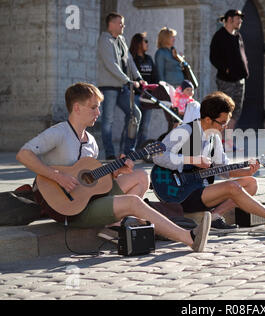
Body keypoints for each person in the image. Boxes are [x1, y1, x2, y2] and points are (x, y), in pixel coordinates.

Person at [15, 82, 211, 252]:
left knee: (141, 176)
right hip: (70, 209)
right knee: (133, 203)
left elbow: (93, 182)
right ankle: (188, 238)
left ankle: (113, 227)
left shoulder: (91, 141)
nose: (98, 113)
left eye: (98, 108)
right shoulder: (58, 133)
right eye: (93, 108)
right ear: (77, 108)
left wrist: (116, 172)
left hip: (90, 199)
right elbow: (23, 154)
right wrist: (58, 176)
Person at [152, 91, 265, 234]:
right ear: (207, 119)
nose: (225, 126)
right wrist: (191, 160)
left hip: (199, 190)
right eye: (222, 122)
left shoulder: (214, 138)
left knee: (250, 183)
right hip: (178, 193)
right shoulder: (185, 131)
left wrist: (245, 171)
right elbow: (157, 155)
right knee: (233, 187)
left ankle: (214, 217)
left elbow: (223, 170)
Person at [97, 12, 146, 160]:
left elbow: (129, 60)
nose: (123, 26)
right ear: (111, 25)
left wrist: (139, 78)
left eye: (123, 23)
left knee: (135, 114)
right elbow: (110, 64)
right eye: (120, 23)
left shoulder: (122, 40)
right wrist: (128, 80)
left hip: (122, 87)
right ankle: (110, 153)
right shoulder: (104, 40)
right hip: (109, 87)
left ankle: (128, 150)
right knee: (108, 121)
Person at [210, 9, 249, 146]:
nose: (241, 21)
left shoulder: (238, 35)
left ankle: (228, 140)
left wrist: (245, 69)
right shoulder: (219, 36)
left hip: (240, 80)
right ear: (230, 19)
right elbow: (213, 57)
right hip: (226, 80)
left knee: (236, 111)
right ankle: (219, 141)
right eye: (239, 19)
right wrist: (225, 69)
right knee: (224, 110)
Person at [129, 32, 159, 148]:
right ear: (138, 43)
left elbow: (155, 77)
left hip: (148, 97)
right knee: (134, 124)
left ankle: (140, 152)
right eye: (145, 41)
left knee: (145, 126)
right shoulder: (132, 59)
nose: (147, 43)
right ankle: (129, 150)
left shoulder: (149, 59)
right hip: (136, 96)